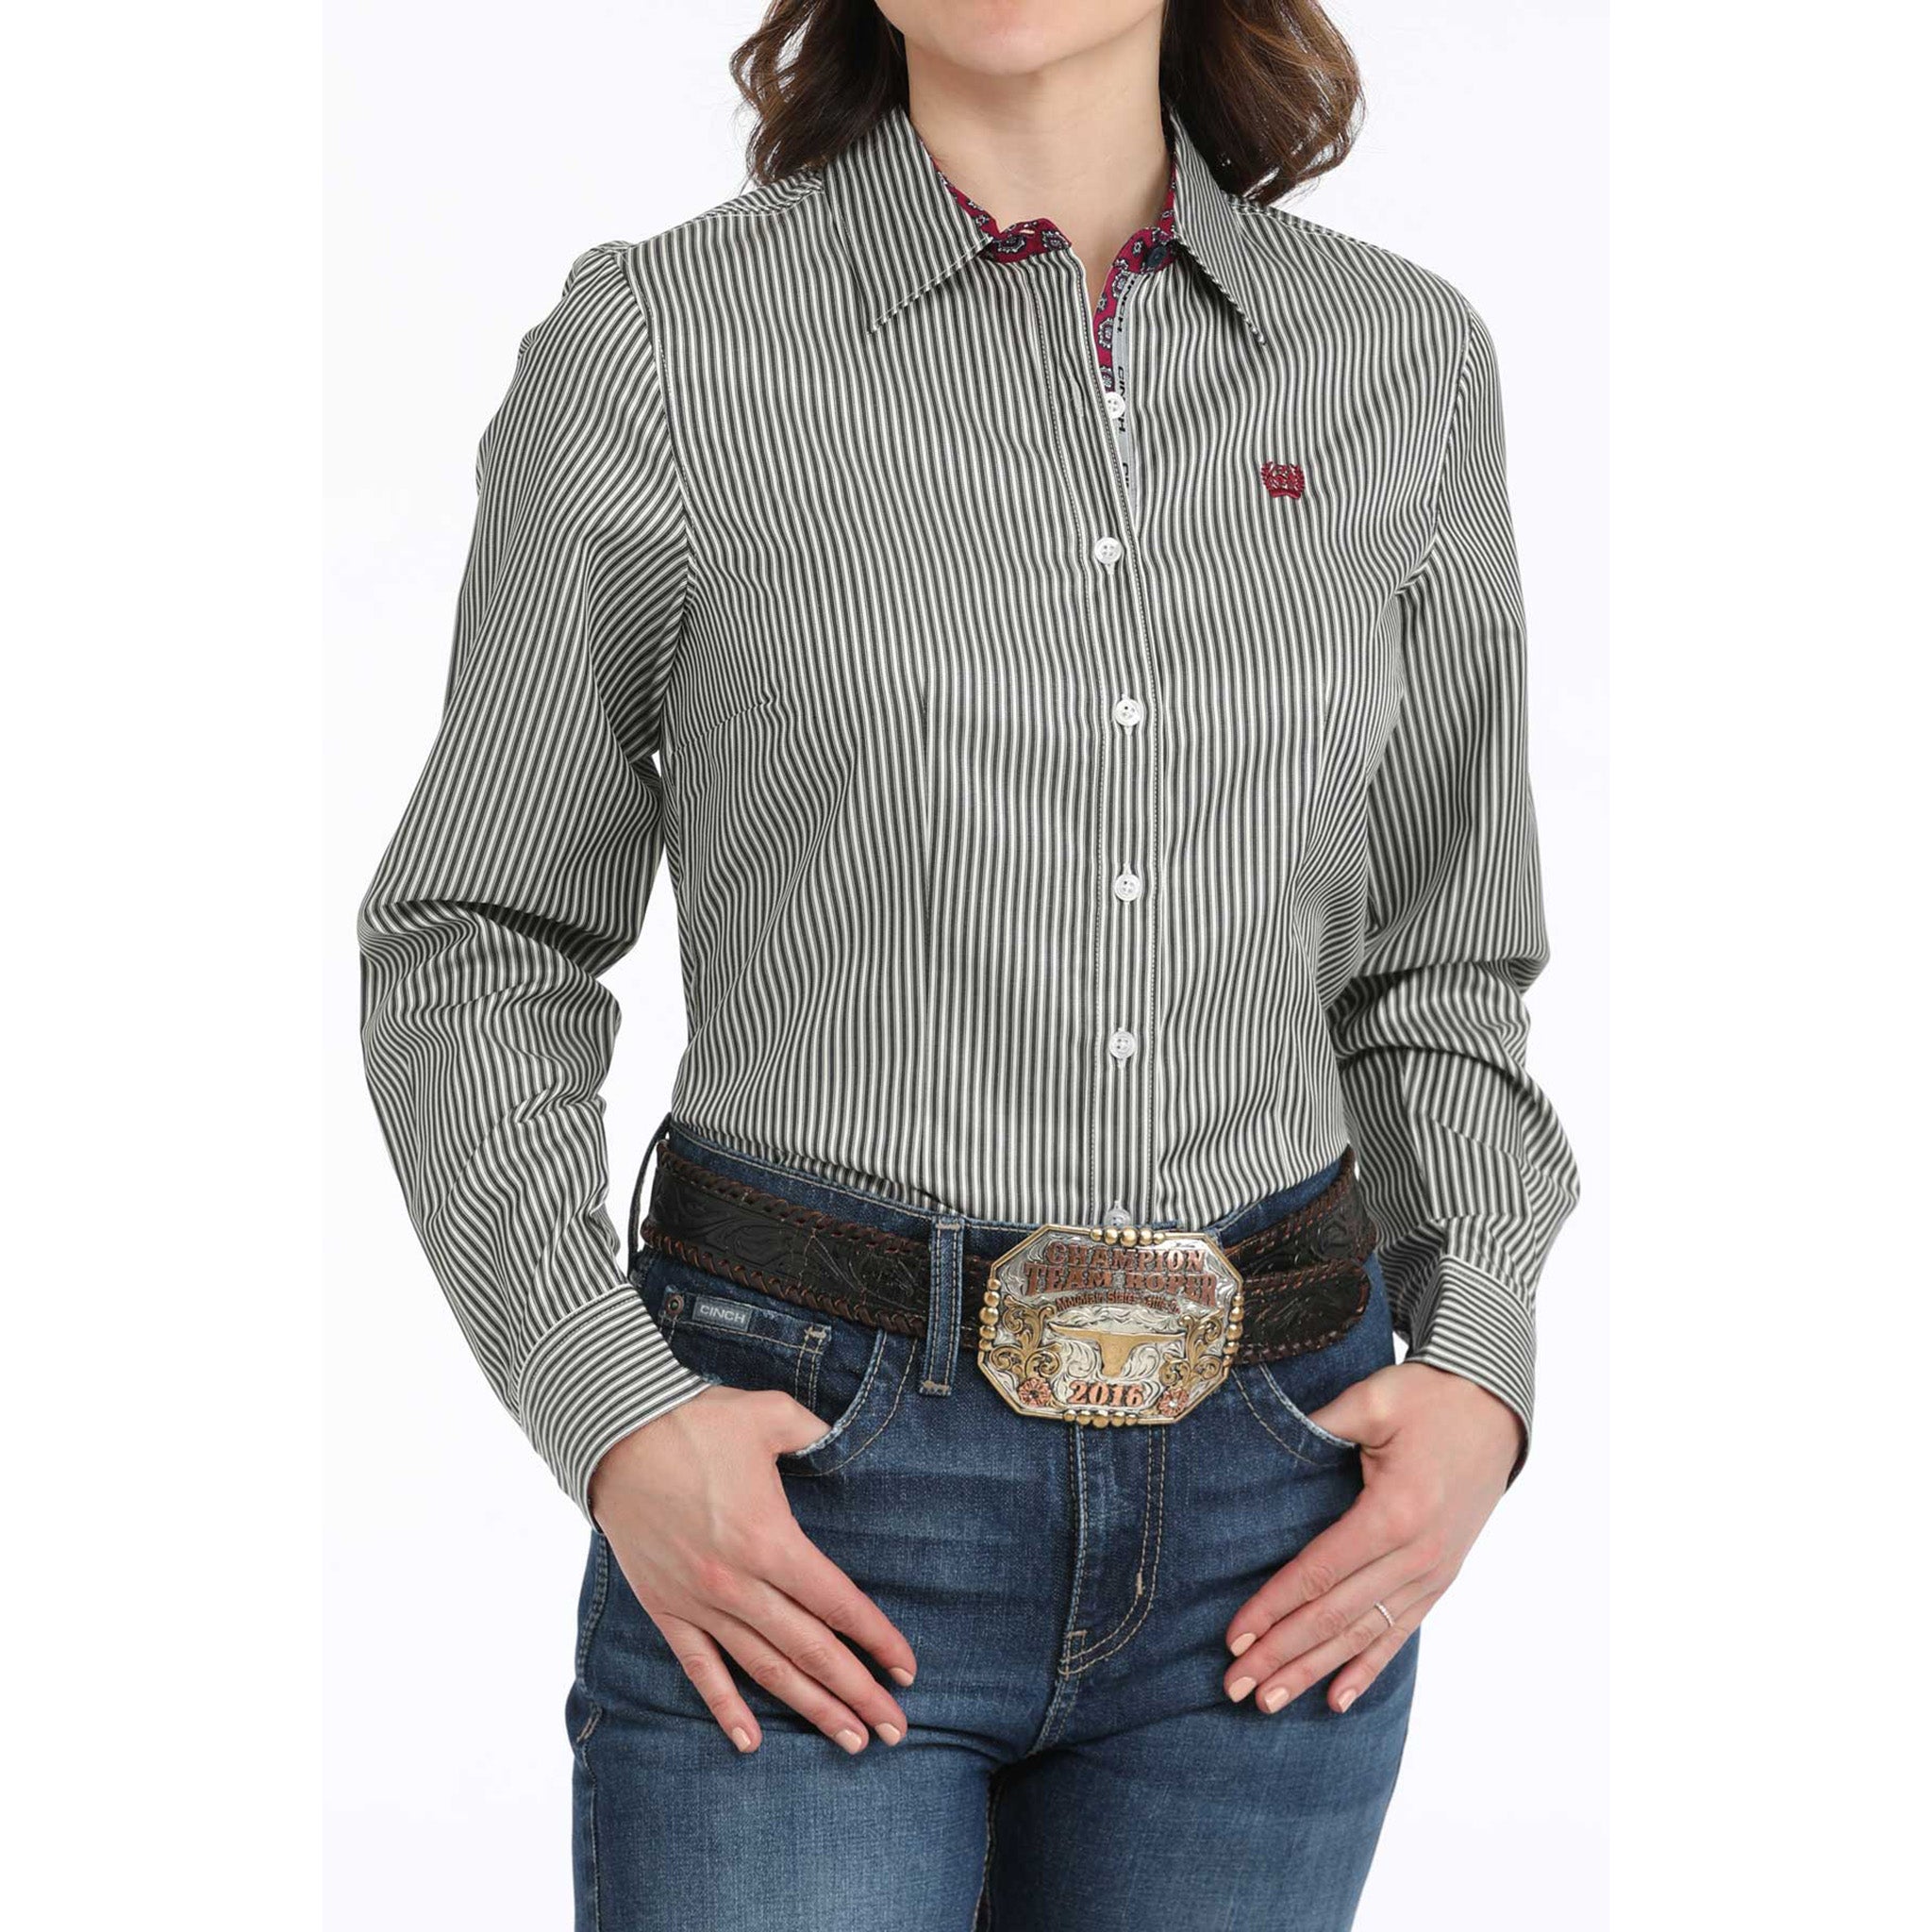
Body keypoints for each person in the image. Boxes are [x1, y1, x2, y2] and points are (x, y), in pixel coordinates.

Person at [356, 2, 1579, 1924]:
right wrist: (609, 1409)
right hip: (806, 1497)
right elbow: (475, 934)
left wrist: (1481, 1365)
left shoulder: (1396, 361)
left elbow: (1437, 957)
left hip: (1281, 1508)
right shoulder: (662, 348)